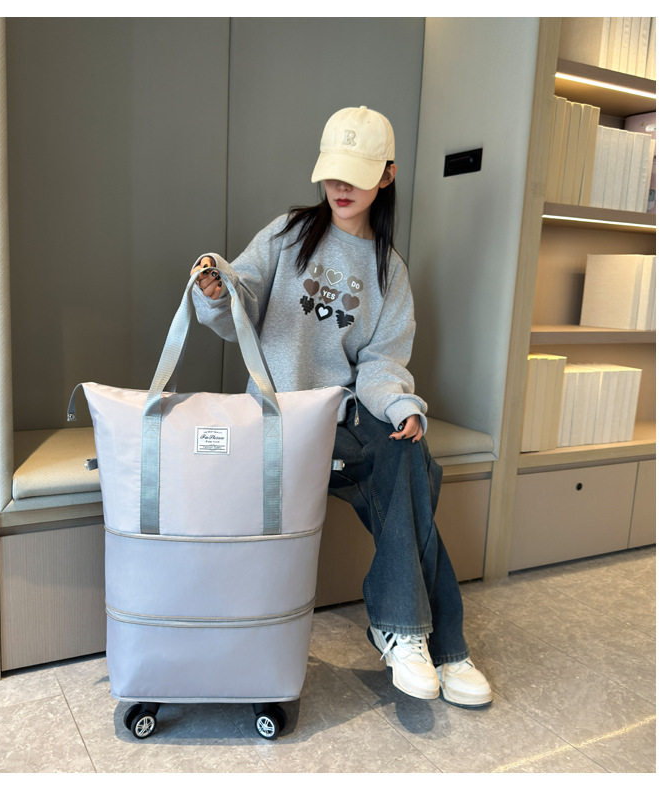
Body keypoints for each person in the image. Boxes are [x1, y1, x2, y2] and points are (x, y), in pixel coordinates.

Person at [190, 106, 492, 708]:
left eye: (356, 174)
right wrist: (217, 286)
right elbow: (238, 298)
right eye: (332, 172)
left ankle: (407, 635)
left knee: (407, 449)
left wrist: (401, 405)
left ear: (387, 175)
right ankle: (441, 643)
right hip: (278, 422)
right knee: (417, 478)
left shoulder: (389, 272)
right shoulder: (288, 234)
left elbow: (381, 362)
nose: (340, 187)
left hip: (341, 420)